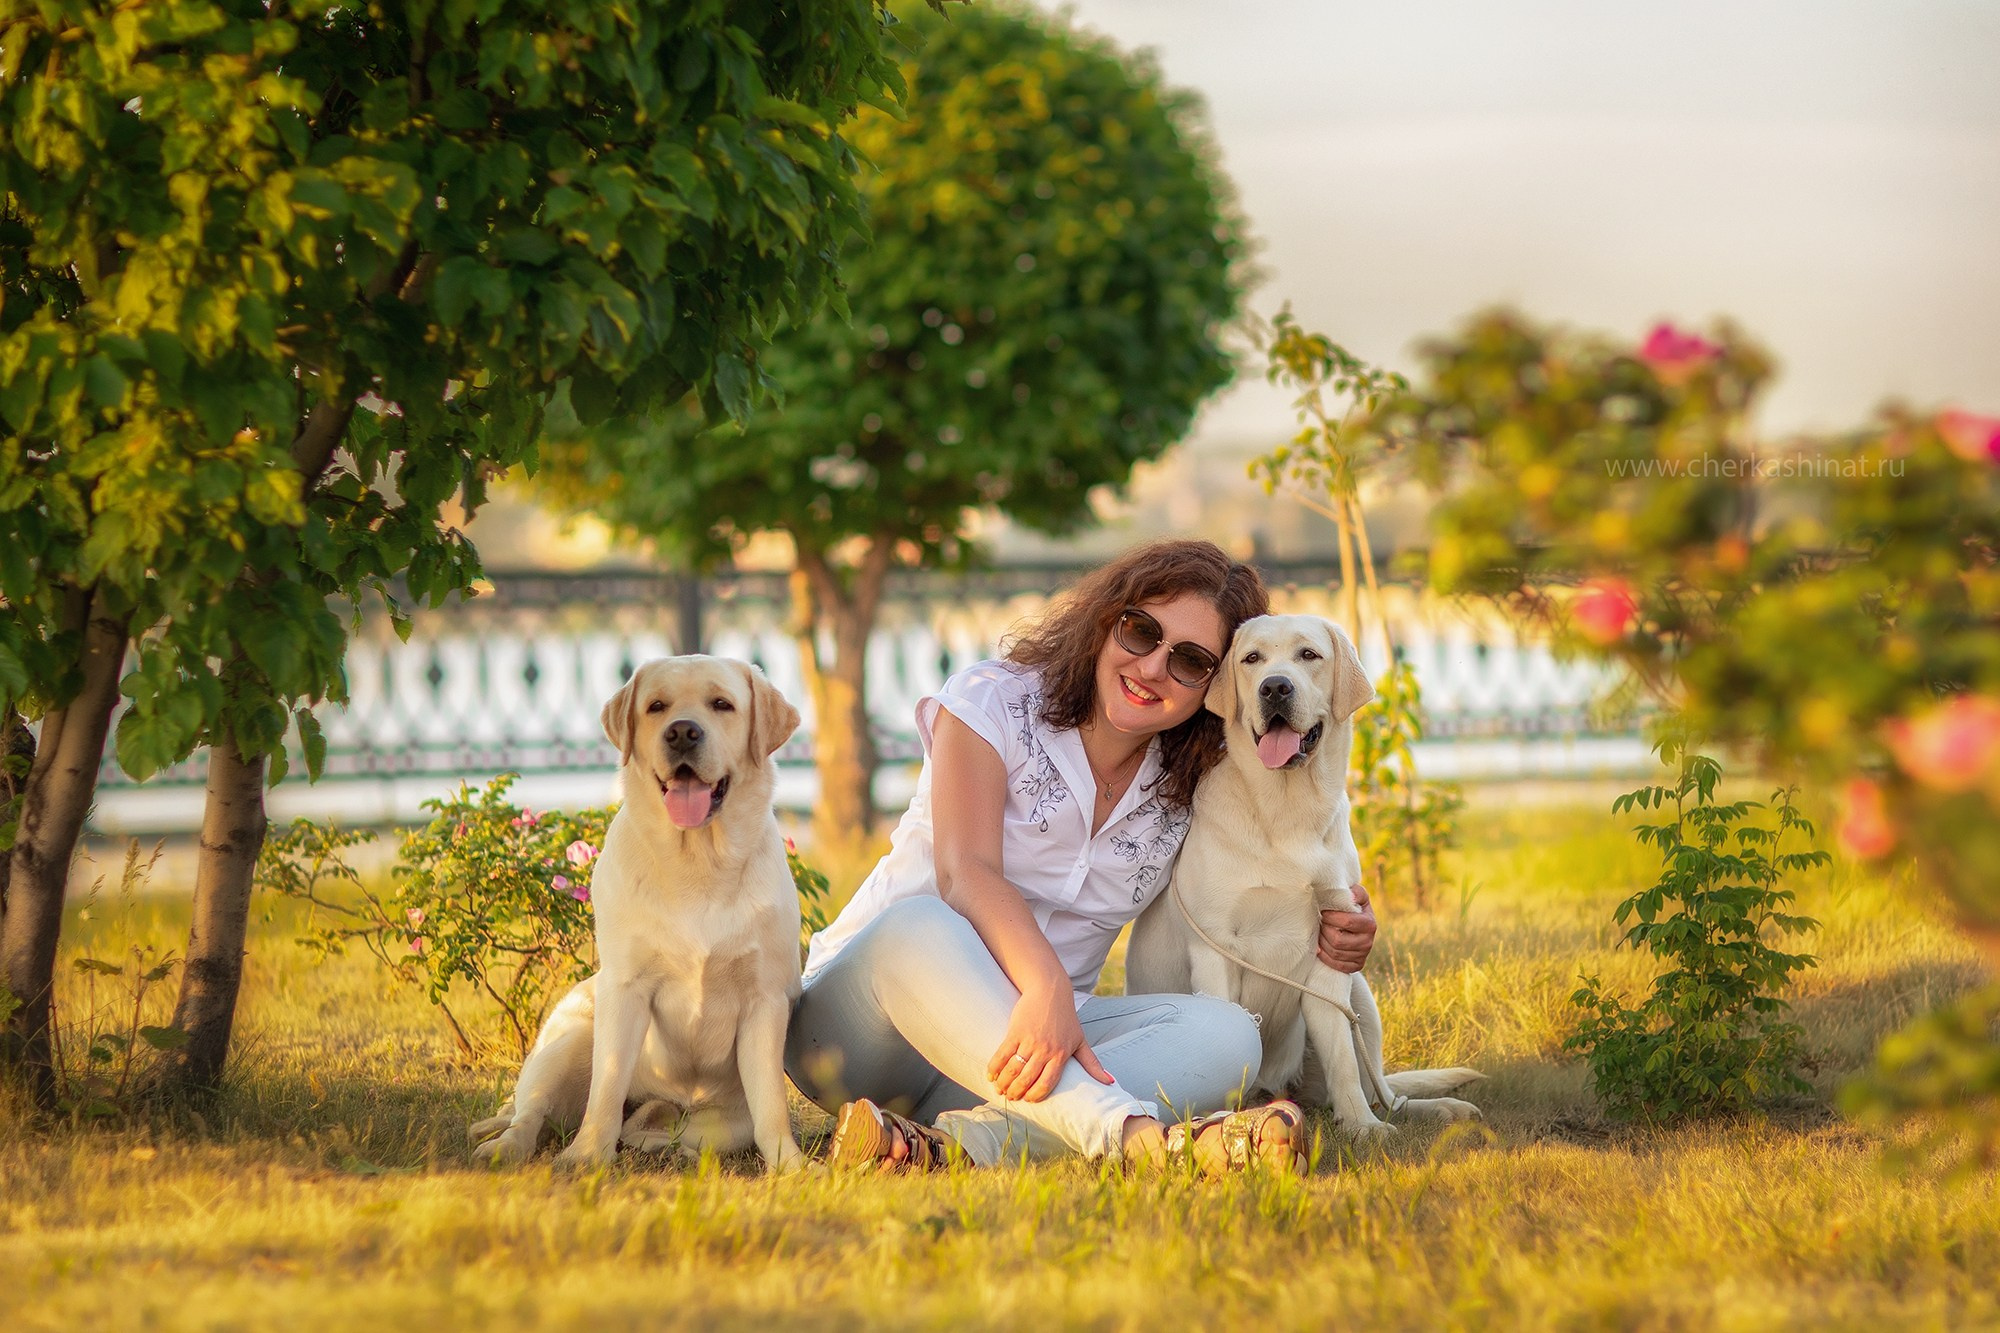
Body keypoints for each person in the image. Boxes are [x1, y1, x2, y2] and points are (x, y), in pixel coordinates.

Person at [785, 540, 1379, 1173]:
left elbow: (1268, 857)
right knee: (921, 923)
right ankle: (1139, 1140)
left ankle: (956, 1143)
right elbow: (966, 872)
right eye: (1141, 631)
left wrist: (1339, 910)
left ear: (1218, 685)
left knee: (1230, 1037)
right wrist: (1044, 985)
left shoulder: (1189, 787)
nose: (1153, 667)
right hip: (864, 1033)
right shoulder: (995, 701)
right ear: (1106, 620)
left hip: (1023, 1052)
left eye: (1189, 661)